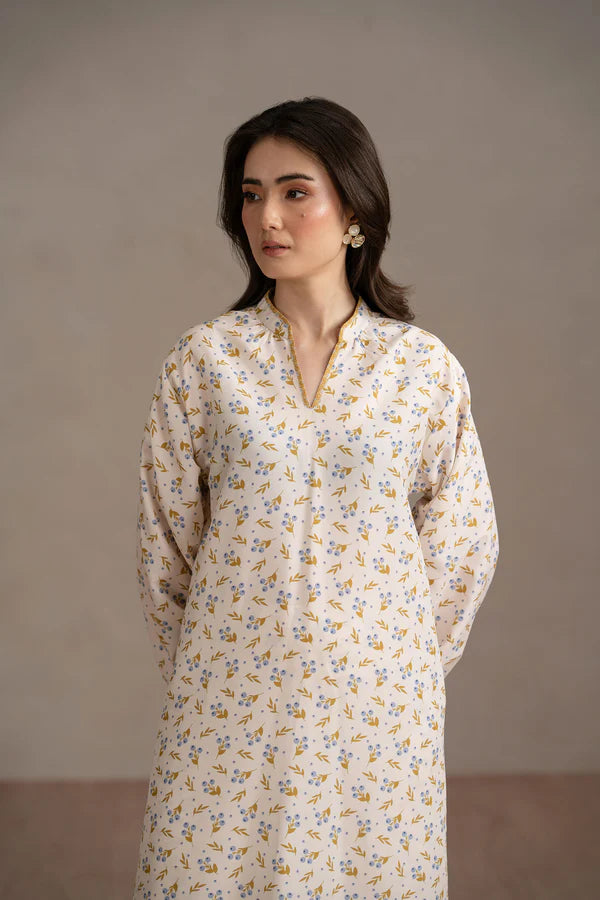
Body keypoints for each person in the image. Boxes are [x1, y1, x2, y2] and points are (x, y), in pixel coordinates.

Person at [133, 96, 500, 899]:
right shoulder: (205, 362)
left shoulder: (421, 370)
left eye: (295, 191)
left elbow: (462, 545)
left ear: (355, 211)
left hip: (378, 713)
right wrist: (224, 662)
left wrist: (387, 662)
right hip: (228, 702)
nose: (267, 216)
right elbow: (167, 550)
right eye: (251, 194)